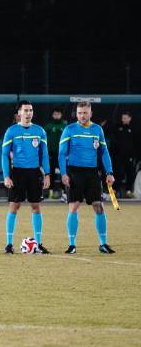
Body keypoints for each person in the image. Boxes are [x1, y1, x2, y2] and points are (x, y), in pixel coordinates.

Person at [59, 101, 116, 254]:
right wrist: (64, 173)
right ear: (76, 114)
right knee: (74, 206)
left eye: (85, 113)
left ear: (90, 113)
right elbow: (62, 153)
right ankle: (72, 245)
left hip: (92, 173)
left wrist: (109, 172)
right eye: (79, 113)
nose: (82, 116)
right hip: (74, 172)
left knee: (98, 206)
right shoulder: (69, 129)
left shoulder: (97, 129)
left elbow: (104, 152)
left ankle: (103, 244)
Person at [1, 101, 51, 254]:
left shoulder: (40, 131)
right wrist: (6, 176)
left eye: (31, 110)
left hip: (34, 173)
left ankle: (39, 244)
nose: (28, 113)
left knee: (36, 206)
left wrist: (47, 174)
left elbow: (44, 154)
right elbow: (4, 155)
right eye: (25, 110)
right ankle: (9, 244)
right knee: (14, 206)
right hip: (17, 173)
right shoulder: (11, 131)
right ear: (19, 113)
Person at [44, 108, 67, 199]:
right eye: (55, 114)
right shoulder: (48, 126)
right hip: (51, 154)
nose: (57, 116)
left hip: (63, 154)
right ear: (52, 115)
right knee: (51, 172)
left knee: (64, 172)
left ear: (61, 115)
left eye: (58, 114)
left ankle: (64, 192)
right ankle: (50, 191)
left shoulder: (65, 127)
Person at [112, 112, 135, 198]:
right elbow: (114, 141)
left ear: (129, 118)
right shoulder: (117, 128)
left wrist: (133, 155)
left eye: (125, 118)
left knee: (129, 173)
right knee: (117, 173)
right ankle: (115, 190)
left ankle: (128, 191)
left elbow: (135, 143)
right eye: (122, 118)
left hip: (129, 156)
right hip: (118, 156)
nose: (123, 120)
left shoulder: (133, 129)